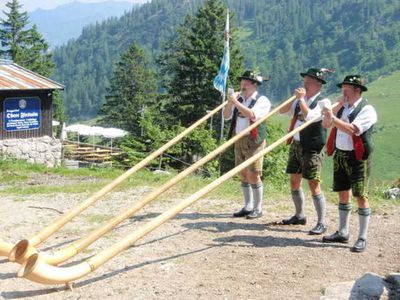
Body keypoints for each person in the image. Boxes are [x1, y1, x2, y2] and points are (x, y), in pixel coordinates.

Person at [322, 75, 377, 253]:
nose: (343, 91)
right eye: (343, 87)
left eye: (347, 87)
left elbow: (353, 129)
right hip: (340, 154)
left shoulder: (367, 109)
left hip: (358, 157)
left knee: (360, 195)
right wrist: (333, 111)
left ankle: (362, 237)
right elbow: (324, 124)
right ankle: (343, 231)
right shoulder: (341, 108)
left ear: (357, 90)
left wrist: (332, 117)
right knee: (342, 193)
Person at [279, 68, 332, 235]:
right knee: (294, 180)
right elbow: (282, 111)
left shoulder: (324, 102)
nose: (305, 84)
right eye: (305, 81)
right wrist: (294, 99)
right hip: (296, 143)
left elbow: (310, 117)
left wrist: (301, 100)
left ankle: (321, 222)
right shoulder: (300, 99)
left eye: (308, 82)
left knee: (313, 183)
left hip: (312, 146)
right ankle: (299, 214)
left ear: (318, 84)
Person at [223, 70, 271, 219]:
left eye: (246, 81)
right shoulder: (239, 98)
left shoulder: (262, 101)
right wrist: (231, 103)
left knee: (254, 173)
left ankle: (258, 208)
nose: (242, 84)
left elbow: (252, 115)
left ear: (254, 85)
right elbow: (226, 116)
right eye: (242, 81)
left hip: (254, 140)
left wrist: (236, 102)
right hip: (239, 138)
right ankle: (248, 205)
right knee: (243, 173)